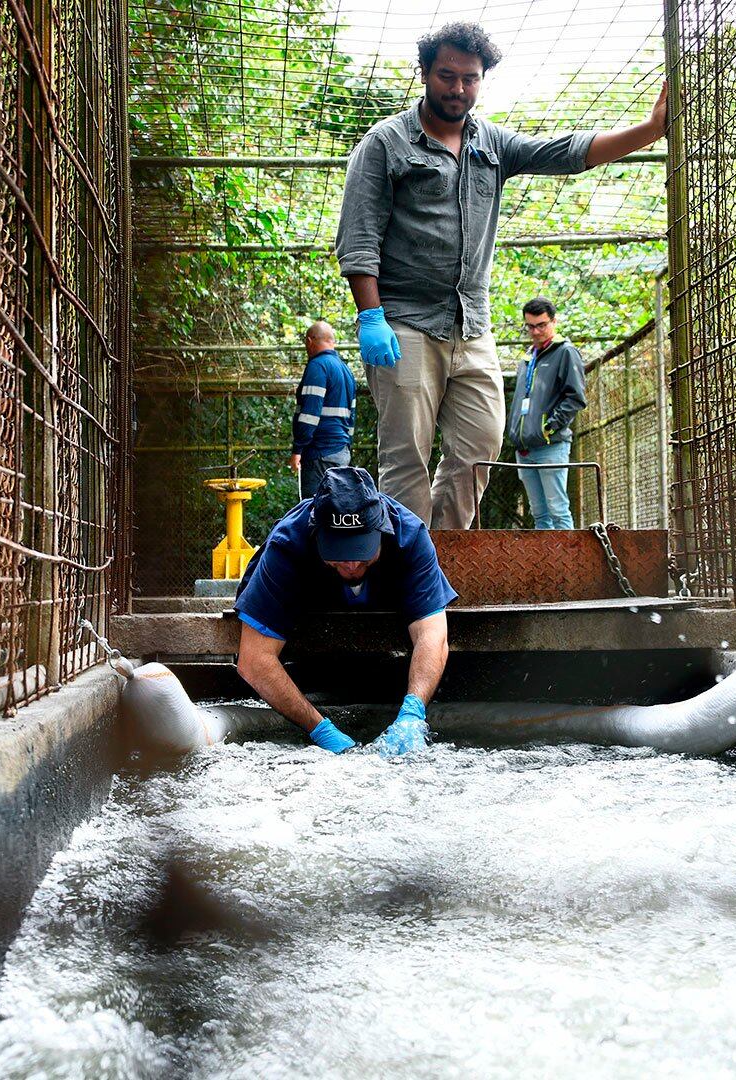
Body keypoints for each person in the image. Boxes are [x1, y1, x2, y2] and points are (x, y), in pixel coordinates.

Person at [334, 21, 667, 530]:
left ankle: (443, 559)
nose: (458, 88)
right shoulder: (386, 143)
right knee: (406, 458)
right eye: (447, 75)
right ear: (424, 72)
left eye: (470, 78)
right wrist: (371, 316)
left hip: (473, 327)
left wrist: (649, 130)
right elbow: (357, 239)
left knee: (480, 448)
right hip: (403, 324)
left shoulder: (491, 142)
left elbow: (565, 153)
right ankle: (409, 571)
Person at [234, 467, 456, 755]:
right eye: (338, 552)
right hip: (304, 625)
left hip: (389, 617)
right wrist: (319, 730)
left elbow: (433, 634)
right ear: (317, 535)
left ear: (381, 528)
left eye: (361, 550)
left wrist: (413, 713)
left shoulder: (409, 535)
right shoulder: (288, 543)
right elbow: (253, 660)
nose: (351, 564)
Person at [506, 297, 586, 529]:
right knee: (539, 514)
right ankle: (547, 565)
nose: (536, 331)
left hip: (550, 445)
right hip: (525, 449)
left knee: (558, 510)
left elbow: (576, 398)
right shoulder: (527, 357)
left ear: (553, 321)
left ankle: (568, 565)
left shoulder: (566, 352)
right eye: (530, 326)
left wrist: (549, 427)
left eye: (542, 325)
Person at [288, 320, 357, 499]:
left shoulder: (317, 366)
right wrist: (345, 445)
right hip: (341, 453)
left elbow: (309, 414)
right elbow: (351, 418)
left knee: (314, 511)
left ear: (310, 341)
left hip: (320, 453)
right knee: (337, 511)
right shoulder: (346, 370)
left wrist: (298, 449)